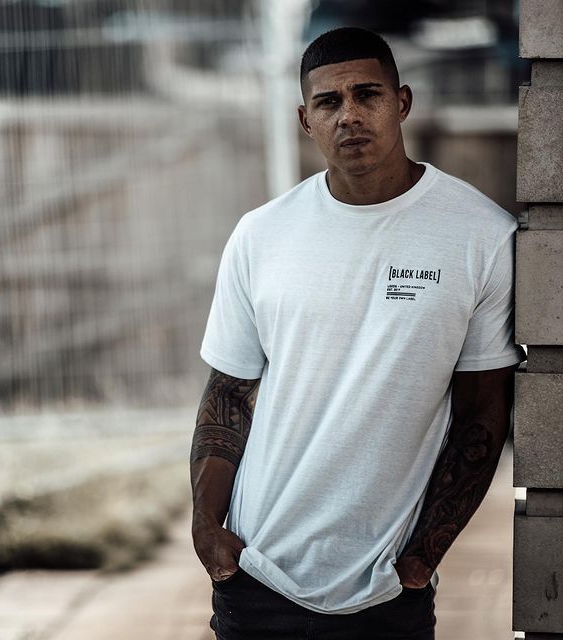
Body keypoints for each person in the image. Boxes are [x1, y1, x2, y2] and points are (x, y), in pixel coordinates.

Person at [190, 27, 525, 640]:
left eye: (367, 94)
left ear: (402, 103)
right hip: (256, 575)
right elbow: (228, 392)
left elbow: (483, 410)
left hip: (386, 589)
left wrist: (422, 557)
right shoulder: (261, 235)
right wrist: (207, 527)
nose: (349, 115)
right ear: (305, 120)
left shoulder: (481, 235)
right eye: (328, 102)